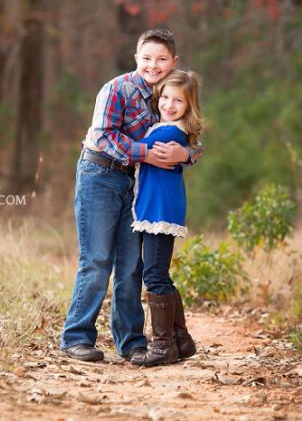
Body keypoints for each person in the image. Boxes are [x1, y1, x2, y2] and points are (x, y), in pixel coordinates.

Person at [60, 29, 197, 363]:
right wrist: (145, 154)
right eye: (147, 58)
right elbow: (102, 136)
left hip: (134, 185)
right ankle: (77, 337)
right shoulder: (117, 89)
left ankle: (131, 341)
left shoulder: (169, 94)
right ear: (136, 58)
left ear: (173, 62)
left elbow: (188, 132)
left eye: (162, 59)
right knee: (96, 260)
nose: (154, 65)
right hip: (100, 175)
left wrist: (187, 155)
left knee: (131, 265)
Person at [130, 69, 203, 367]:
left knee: (155, 275)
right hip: (158, 208)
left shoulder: (169, 133)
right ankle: (180, 339)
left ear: (189, 107)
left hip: (159, 210)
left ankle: (163, 346)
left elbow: (138, 151)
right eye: (166, 98)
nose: (169, 105)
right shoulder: (169, 129)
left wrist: (99, 144)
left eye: (179, 101)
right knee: (160, 273)